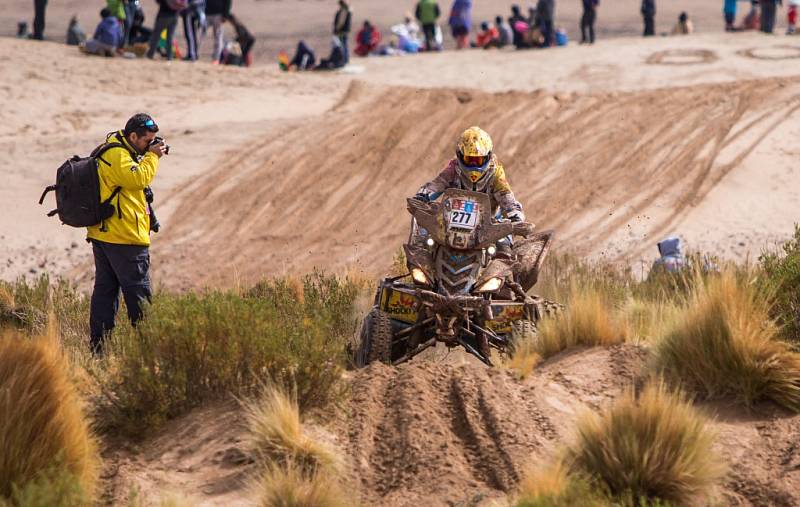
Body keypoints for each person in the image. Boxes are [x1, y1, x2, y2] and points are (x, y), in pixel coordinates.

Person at [88, 113, 167, 355]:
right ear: (133, 136)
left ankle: (100, 352)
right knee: (139, 294)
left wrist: (146, 153)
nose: (150, 145)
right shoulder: (116, 154)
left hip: (109, 235)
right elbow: (137, 178)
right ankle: (147, 352)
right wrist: (153, 157)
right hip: (124, 238)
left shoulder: (124, 151)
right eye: (147, 140)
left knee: (106, 291)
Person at [414, 127, 525, 246]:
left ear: (488, 157)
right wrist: (423, 195)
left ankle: (503, 260)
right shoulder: (453, 169)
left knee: (504, 242)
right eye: (469, 159)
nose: (473, 165)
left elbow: (506, 196)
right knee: (425, 222)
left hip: (488, 224)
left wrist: (515, 215)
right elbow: (438, 184)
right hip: (450, 220)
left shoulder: (496, 173)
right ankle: (419, 254)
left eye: (478, 161)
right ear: (460, 156)